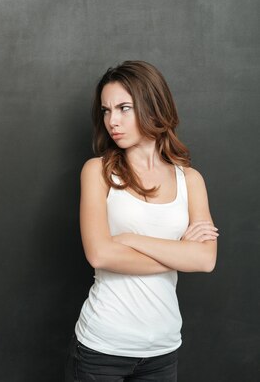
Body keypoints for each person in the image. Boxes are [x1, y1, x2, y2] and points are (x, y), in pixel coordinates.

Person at [65, 61, 217, 381]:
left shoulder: (190, 180)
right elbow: (100, 255)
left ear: (153, 107)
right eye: (106, 110)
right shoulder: (98, 171)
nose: (112, 121)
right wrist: (180, 252)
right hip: (102, 347)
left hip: (163, 350)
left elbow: (205, 259)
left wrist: (131, 240)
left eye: (124, 108)